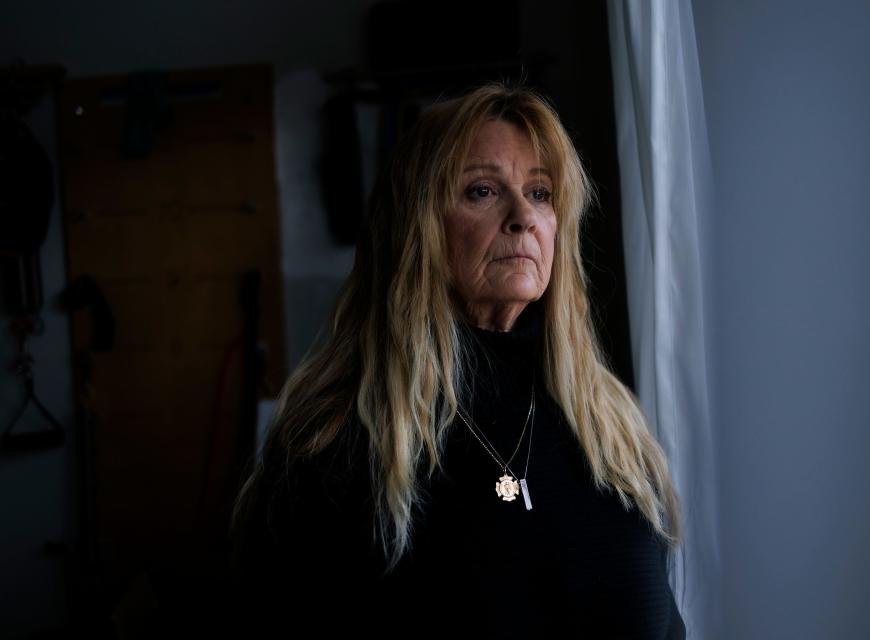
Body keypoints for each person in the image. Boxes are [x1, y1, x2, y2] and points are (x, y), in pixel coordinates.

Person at [227, 84, 685, 639]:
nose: (523, 216)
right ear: (415, 227)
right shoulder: (333, 443)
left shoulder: (610, 429)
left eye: (541, 192)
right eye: (483, 191)